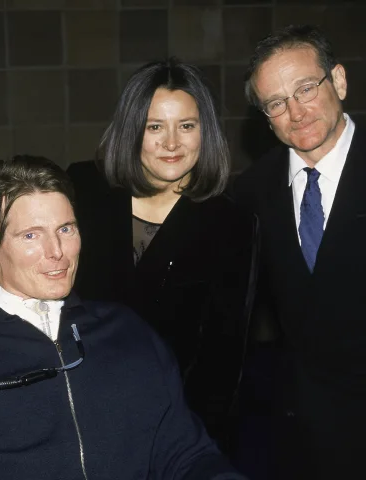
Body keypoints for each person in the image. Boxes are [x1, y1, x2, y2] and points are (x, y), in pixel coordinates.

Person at [0, 156, 248, 480]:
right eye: (32, 235)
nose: (57, 252)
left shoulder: (127, 333)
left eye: (65, 230)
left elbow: (184, 453)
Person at [232, 24, 366, 479]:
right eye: (276, 102)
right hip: (301, 438)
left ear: (340, 81)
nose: (295, 111)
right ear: (265, 117)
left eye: (306, 88)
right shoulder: (251, 193)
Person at [67, 58, 258, 448]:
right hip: (74, 418)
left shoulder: (231, 224)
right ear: (132, 129)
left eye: (186, 126)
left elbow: (223, 362)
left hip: (172, 431)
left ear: (206, 132)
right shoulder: (82, 191)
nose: (171, 143)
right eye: (155, 126)